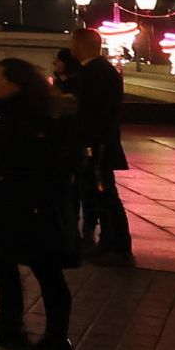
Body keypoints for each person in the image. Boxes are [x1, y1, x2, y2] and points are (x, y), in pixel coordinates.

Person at [0, 59, 77, 350]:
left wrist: (33, 196)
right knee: (4, 261)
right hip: (12, 203)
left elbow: (51, 164)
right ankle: (12, 325)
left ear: (16, 83)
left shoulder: (37, 118)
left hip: (33, 207)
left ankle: (56, 338)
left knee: (47, 271)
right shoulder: (7, 111)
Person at [70, 27, 132, 264]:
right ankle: (115, 243)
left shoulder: (93, 73)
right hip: (102, 143)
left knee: (104, 195)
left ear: (80, 45)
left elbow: (92, 113)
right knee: (105, 195)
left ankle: (113, 244)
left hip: (97, 146)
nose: (71, 48)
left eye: (73, 43)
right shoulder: (103, 70)